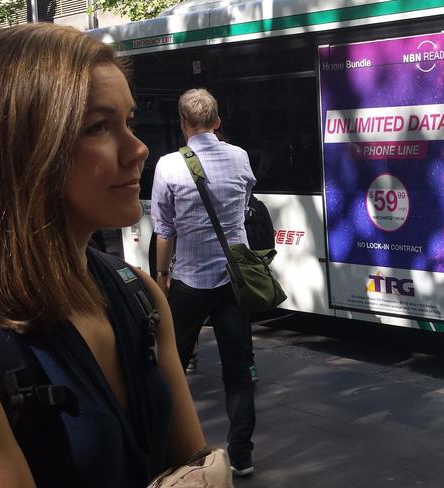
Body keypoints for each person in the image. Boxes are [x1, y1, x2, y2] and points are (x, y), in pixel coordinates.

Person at [0, 23, 206, 487]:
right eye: (97, 127)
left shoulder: (141, 296)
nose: (138, 149)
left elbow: (196, 468)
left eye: (129, 120)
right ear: (20, 151)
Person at [152, 88, 257, 477]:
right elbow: (245, 203)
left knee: (172, 367)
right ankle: (242, 456)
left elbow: (164, 230)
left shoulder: (168, 165)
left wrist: (162, 276)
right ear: (217, 122)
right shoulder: (241, 156)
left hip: (189, 282)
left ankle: (174, 448)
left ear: (183, 124)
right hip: (234, 281)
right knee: (239, 370)